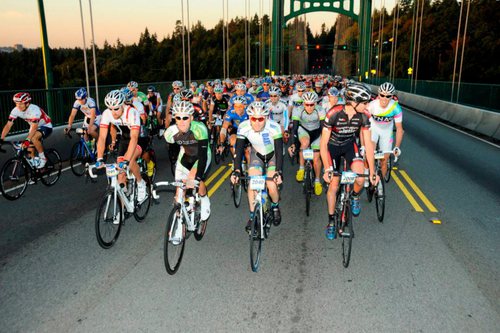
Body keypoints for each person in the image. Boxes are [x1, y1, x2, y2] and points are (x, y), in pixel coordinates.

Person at [320, 83, 378, 240]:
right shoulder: (333, 113)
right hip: (332, 147)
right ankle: (331, 221)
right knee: (333, 184)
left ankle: (354, 196)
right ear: (354, 102)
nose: (367, 106)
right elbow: (323, 144)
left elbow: (368, 145)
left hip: (349, 146)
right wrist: (327, 169)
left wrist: (372, 172)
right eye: (365, 102)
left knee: (360, 177)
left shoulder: (364, 115)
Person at [230, 101, 284, 233]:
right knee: (252, 184)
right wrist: (236, 170)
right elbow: (239, 150)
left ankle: (275, 206)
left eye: (260, 119)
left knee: (271, 186)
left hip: (273, 156)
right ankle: (252, 215)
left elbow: (279, 150)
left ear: (266, 117)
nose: (257, 122)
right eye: (254, 119)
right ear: (249, 118)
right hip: (257, 155)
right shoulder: (243, 127)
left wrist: (278, 171)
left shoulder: (274, 127)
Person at [164, 101, 211, 236]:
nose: (182, 121)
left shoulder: (200, 128)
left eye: (185, 117)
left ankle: (204, 198)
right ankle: (179, 226)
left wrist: (197, 177)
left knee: (193, 179)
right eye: (178, 117)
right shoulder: (170, 133)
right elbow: (173, 153)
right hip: (184, 158)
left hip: (201, 157)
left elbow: (202, 156)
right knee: (179, 193)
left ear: (191, 117)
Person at [95, 90, 148, 202]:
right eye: (110, 108)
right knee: (120, 176)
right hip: (124, 138)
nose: (113, 112)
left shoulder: (132, 112)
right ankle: (121, 212)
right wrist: (99, 157)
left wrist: (127, 160)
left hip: (139, 137)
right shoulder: (107, 113)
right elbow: (102, 137)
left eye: (116, 108)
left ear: (123, 104)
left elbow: (134, 138)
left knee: (131, 160)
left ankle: (140, 182)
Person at [1, 92, 53, 168]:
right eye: (16, 104)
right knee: (29, 153)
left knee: (33, 138)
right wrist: (1, 138)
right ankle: (35, 172)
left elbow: (35, 126)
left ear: (27, 104)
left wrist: (27, 140)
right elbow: (8, 125)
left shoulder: (34, 110)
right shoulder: (15, 110)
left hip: (45, 126)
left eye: (21, 104)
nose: (18, 106)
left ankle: (43, 158)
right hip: (33, 127)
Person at [288, 91, 325, 196]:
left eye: (311, 104)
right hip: (303, 130)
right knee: (304, 143)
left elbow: (323, 128)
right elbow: (294, 128)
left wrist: (324, 143)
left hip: (317, 131)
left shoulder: (320, 110)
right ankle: (301, 168)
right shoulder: (298, 110)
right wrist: (293, 144)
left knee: (316, 158)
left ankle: (317, 180)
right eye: (307, 104)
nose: (309, 107)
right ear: (303, 103)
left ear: (315, 103)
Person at [366, 82, 404, 178]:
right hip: (373, 129)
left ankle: (379, 183)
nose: (384, 99)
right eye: (382, 95)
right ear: (378, 95)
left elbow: (400, 129)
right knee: (369, 154)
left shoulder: (396, 108)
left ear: (392, 97)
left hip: (387, 132)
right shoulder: (371, 105)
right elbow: (365, 126)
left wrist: (397, 147)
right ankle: (368, 174)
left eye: (388, 96)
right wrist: (363, 145)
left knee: (384, 160)